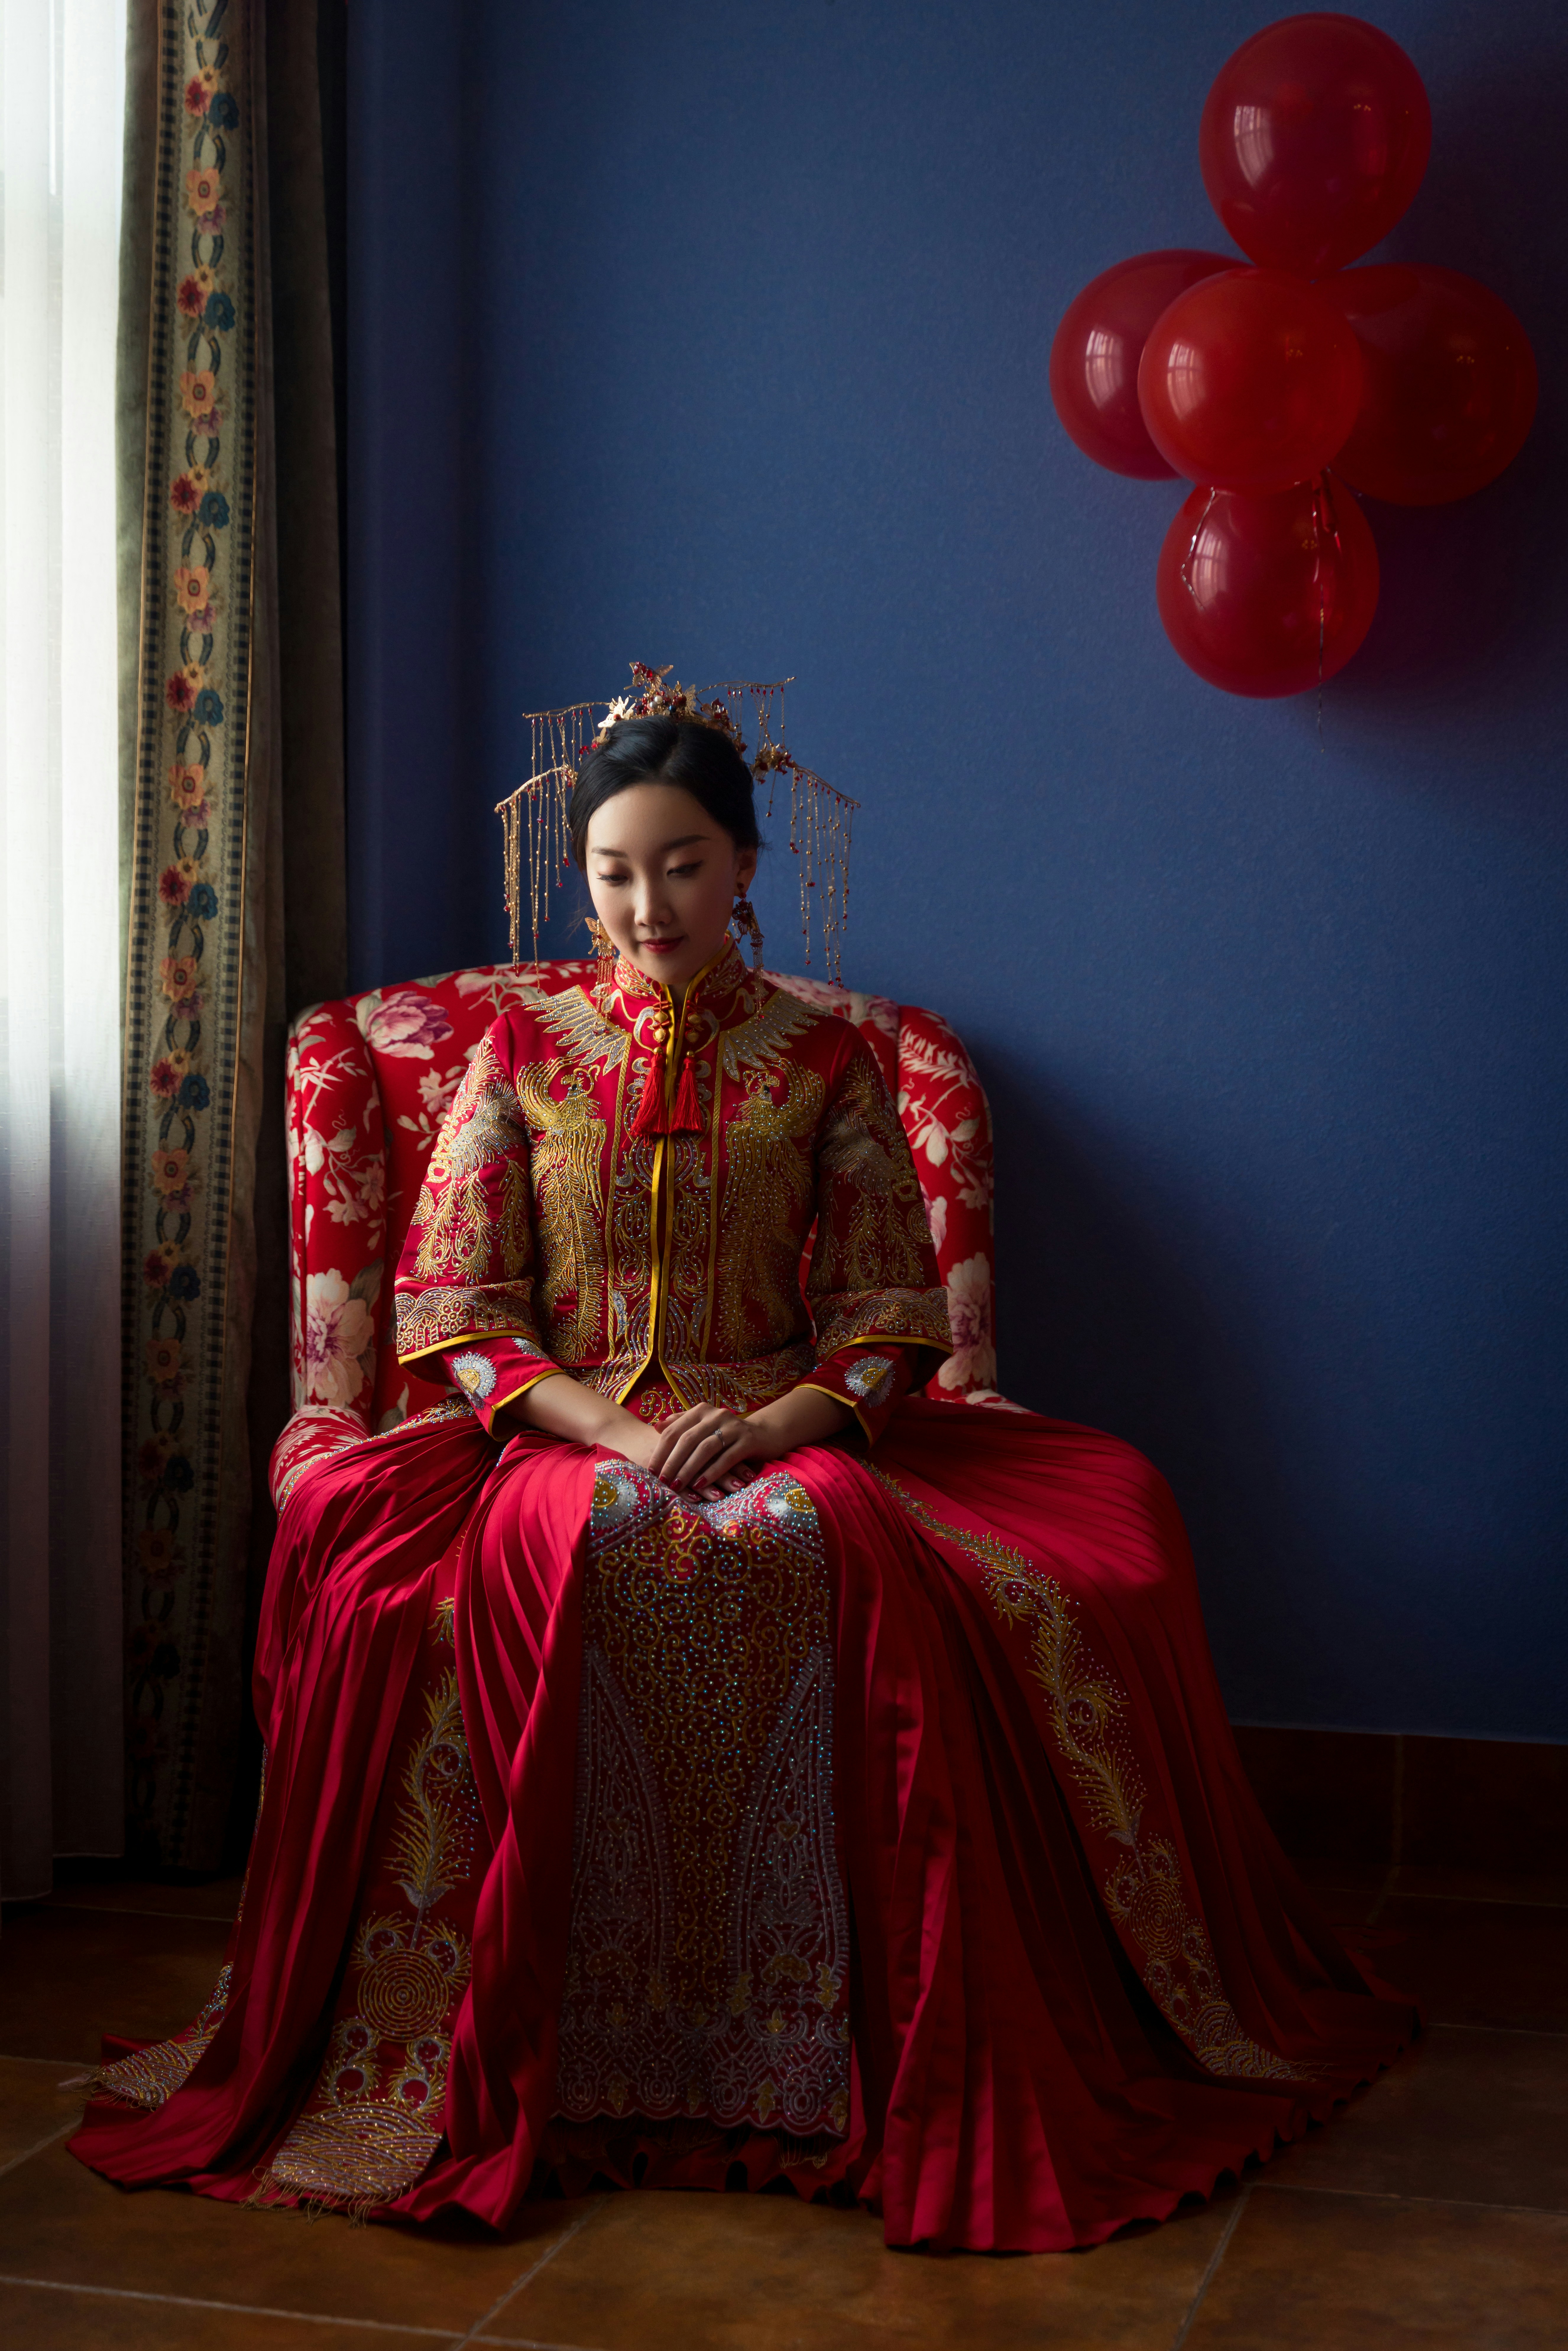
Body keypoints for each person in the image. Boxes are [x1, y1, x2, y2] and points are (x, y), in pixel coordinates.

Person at [73, 689, 1413, 2252]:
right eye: (617, 872)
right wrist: (627, 1433)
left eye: (685, 867)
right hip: (565, 1432)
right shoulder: (518, 1055)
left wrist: (777, 1427)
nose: (650, 908)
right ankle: (573, 2053)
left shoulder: (831, 1064)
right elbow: (461, 1317)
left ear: (746, 865)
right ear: (578, 878)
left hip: (790, 1426)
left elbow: (887, 1315)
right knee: (604, 1540)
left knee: (815, 1542)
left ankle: (826, 2057)